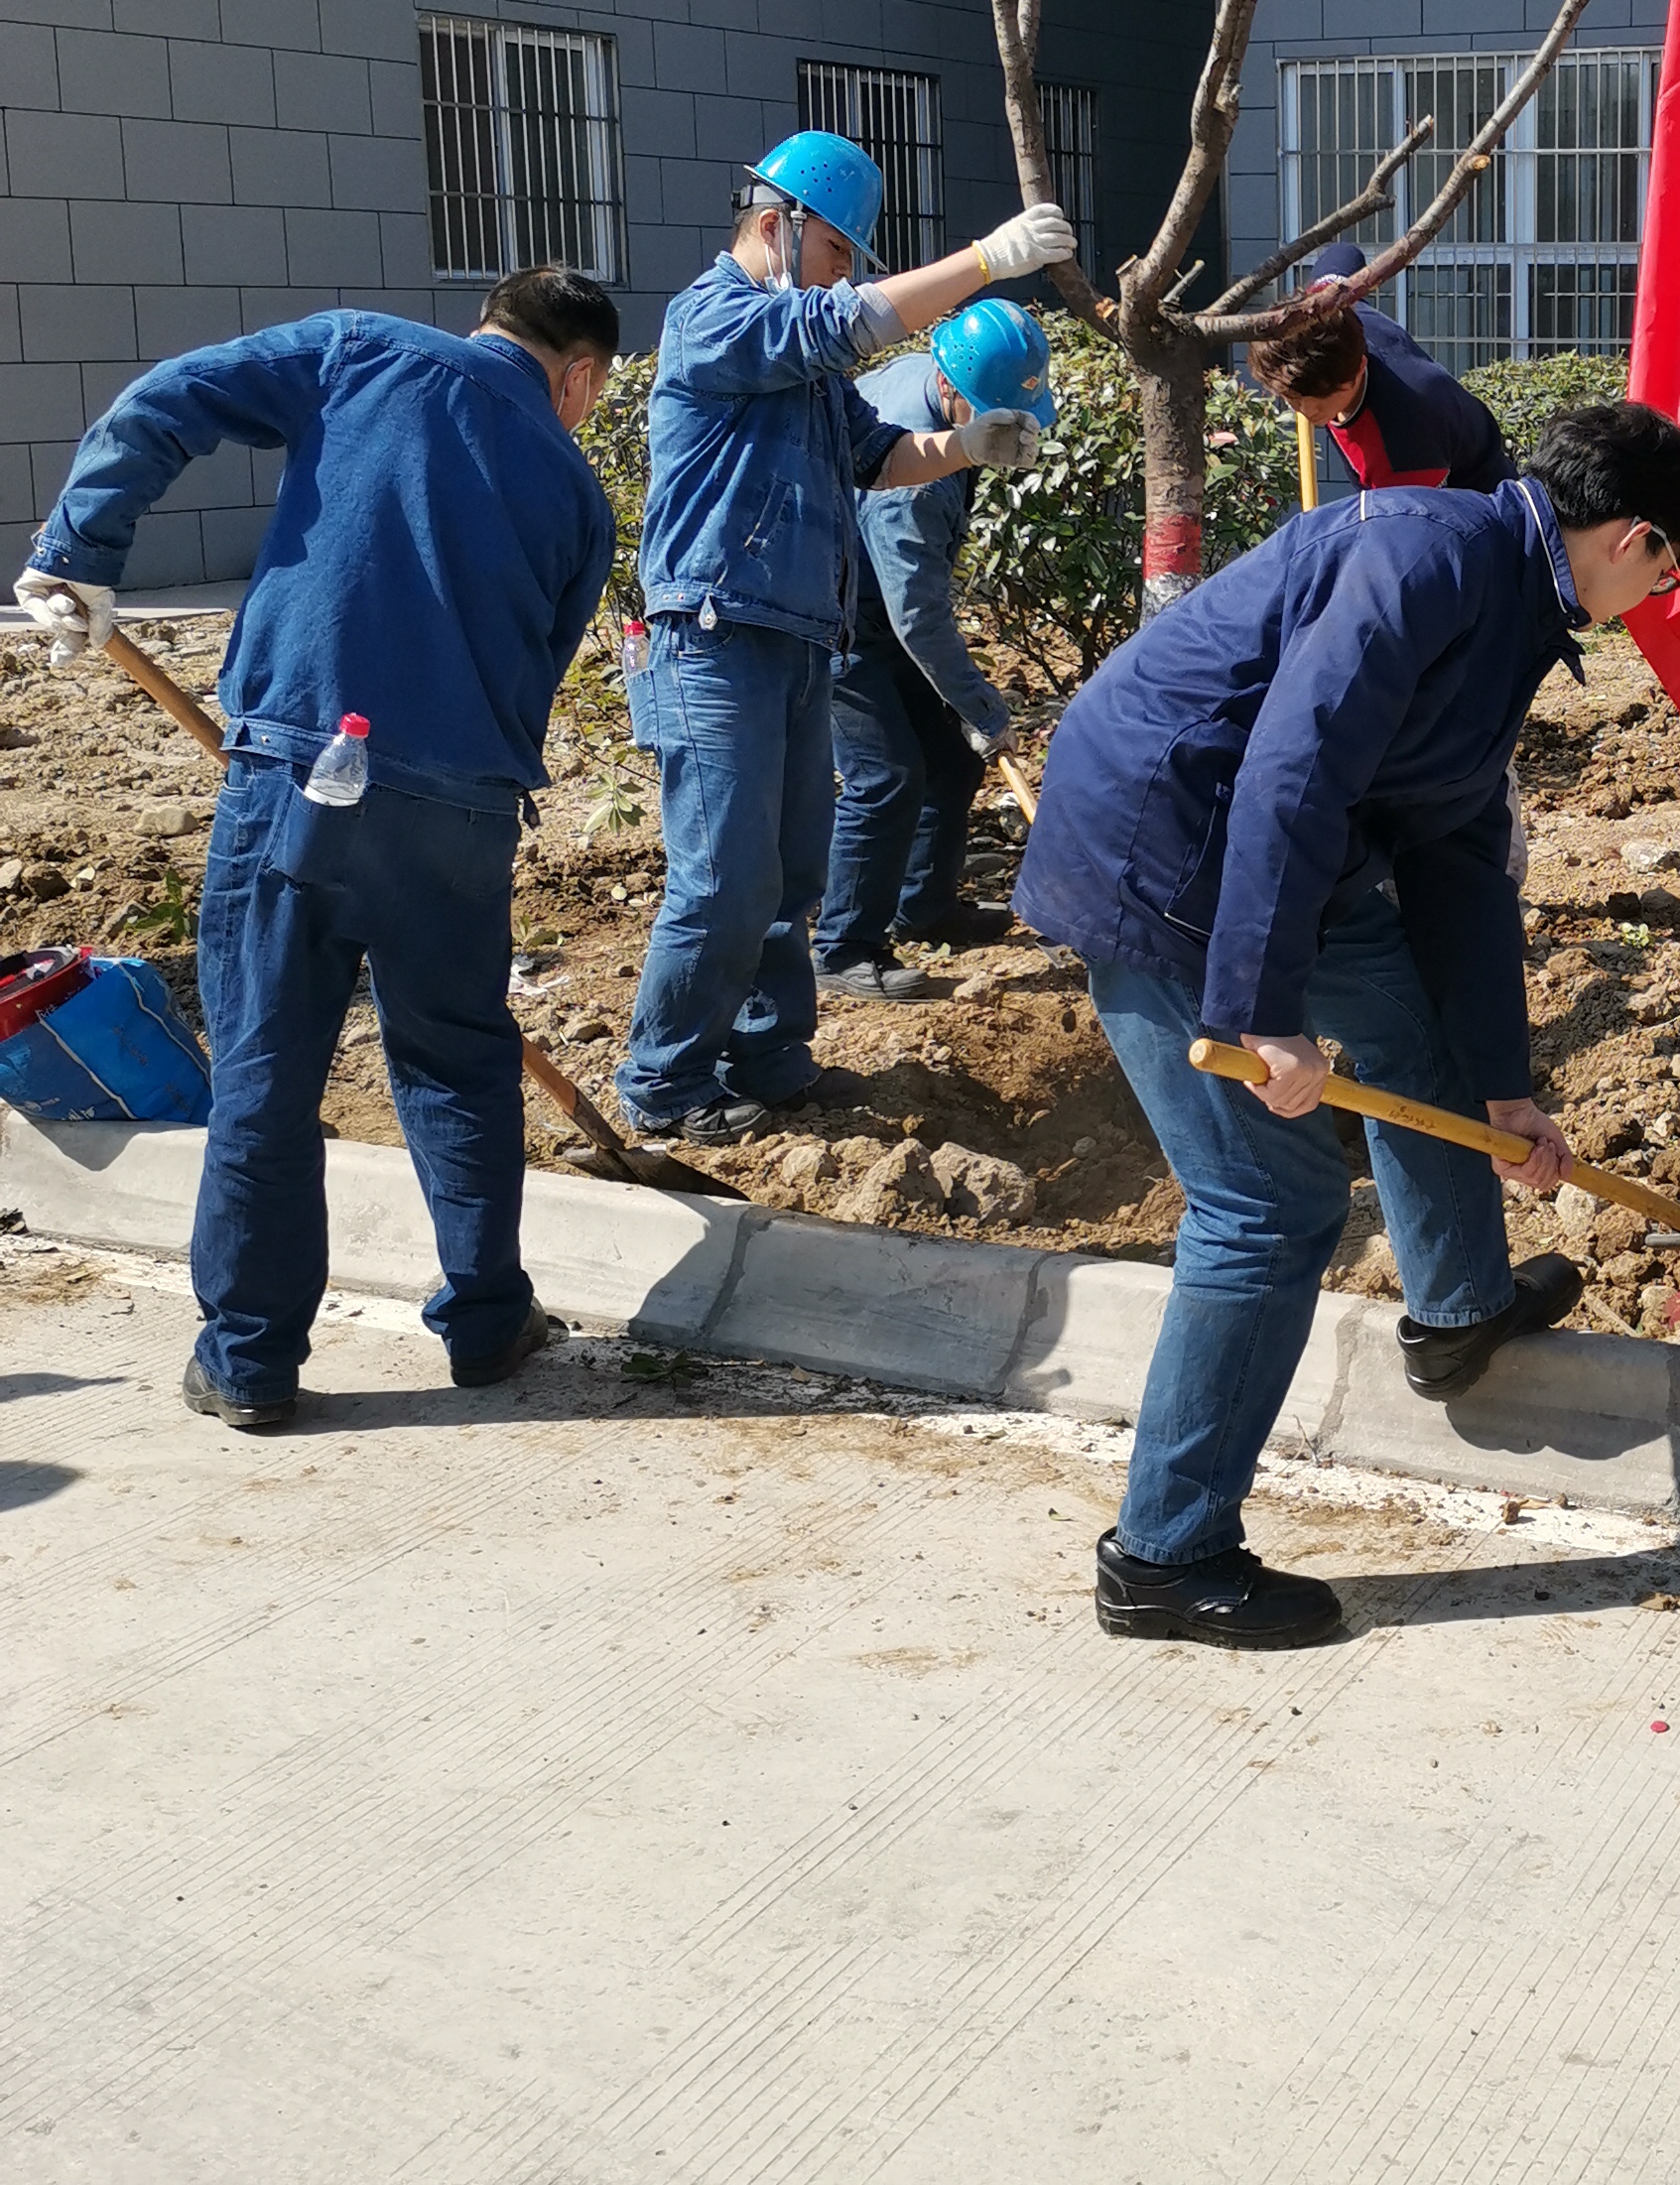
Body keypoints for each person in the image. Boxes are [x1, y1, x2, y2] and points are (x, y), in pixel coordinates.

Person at [1011, 399, 1680, 1650]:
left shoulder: (1510, 602)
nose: (1666, 593)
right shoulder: (1427, 558)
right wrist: (1263, 1010)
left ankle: (1457, 1310)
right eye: (1675, 567)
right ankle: (1165, 1556)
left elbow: (1450, 847)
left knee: (1423, 1031)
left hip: (1281, 857)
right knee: (1269, 1206)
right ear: (1638, 537)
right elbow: (1296, 765)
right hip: (1164, 864)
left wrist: (1503, 1087)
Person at [14, 266, 625, 1426]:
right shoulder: (578, 494)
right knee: (459, 1060)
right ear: (579, 374)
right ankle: (490, 1320)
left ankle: (249, 1359)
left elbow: (166, 400)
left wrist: (81, 550)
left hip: (297, 775)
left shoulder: (359, 350)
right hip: (460, 810)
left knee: (268, 1067)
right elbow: (535, 672)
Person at [613, 133, 1072, 1141]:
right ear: (779, 227)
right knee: (724, 873)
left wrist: (961, 445)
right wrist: (986, 262)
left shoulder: (803, 364)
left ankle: (770, 1057)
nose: (845, 274)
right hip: (714, 628)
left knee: (788, 870)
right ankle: (664, 1084)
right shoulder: (715, 318)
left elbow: (874, 456)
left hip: (795, 636)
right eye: (836, 252)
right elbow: (841, 324)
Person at [814, 297, 1050, 996]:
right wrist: (983, 707)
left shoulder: (930, 372)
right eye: (990, 415)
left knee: (948, 764)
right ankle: (845, 946)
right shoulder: (915, 480)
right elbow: (916, 613)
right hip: (836, 619)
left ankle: (925, 908)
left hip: (874, 602)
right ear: (952, 389)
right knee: (884, 776)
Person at [1251, 240, 1512, 494]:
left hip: (1479, 496)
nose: (1306, 412)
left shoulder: (1402, 447)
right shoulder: (1327, 309)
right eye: (1292, 399)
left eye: (1318, 401)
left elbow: (1409, 529)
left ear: (1358, 370)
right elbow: (1343, 254)